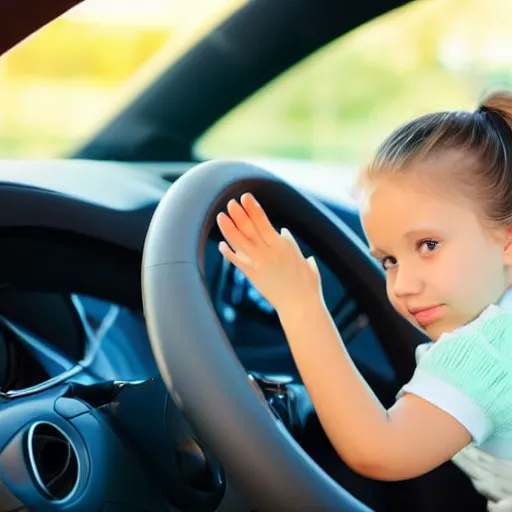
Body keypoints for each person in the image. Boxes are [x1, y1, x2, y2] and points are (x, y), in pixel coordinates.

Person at [216, 90, 512, 511]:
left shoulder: (487, 351)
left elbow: (379, 448)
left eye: (428, 244)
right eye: (389, 260)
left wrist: (299, 303)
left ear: (507, 241)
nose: (404, 284)